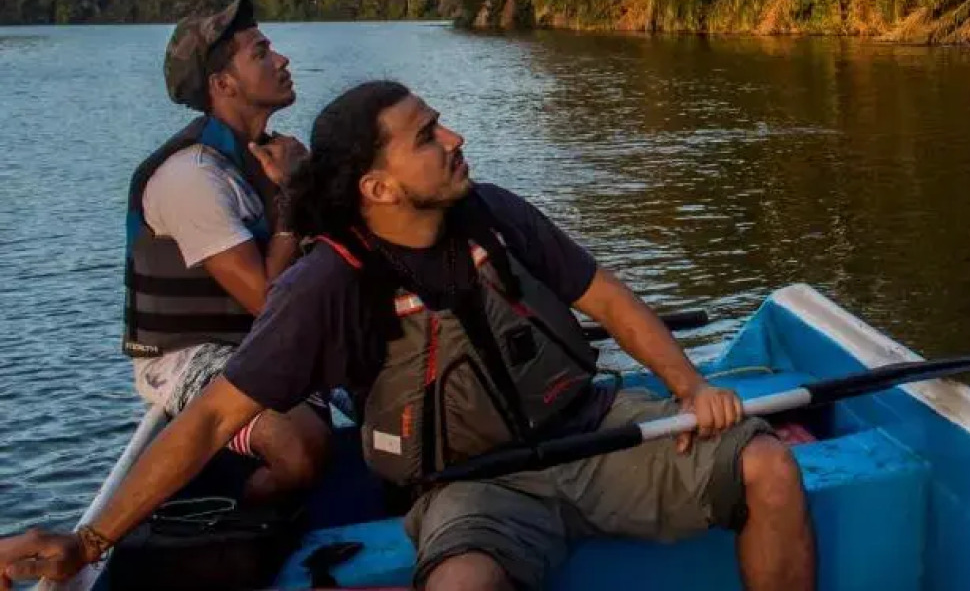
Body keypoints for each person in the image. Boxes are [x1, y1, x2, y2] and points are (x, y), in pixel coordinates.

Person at [1, 81, 816, 591]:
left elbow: (606, 298)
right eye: (428, 135)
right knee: (462, 583)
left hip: (590, 434)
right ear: (377, 185)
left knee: (767, 465)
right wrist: (90, 539)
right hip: (470, 485)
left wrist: (690, 389)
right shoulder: (327, 283)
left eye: (442, 125)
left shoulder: (494, 214)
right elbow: (213, 417)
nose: (454, 139)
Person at [123, 0, 329, 501]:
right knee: (298, 447)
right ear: (223, 85)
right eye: (260, 53)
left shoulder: (270, 156)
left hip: (264, 340)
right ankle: (243, 519)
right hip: (187, 355)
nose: (281, 60)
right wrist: (291, 202)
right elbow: (265, 301)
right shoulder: (193, 177)